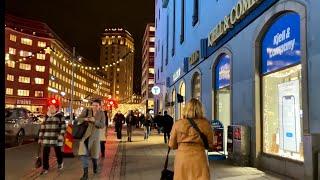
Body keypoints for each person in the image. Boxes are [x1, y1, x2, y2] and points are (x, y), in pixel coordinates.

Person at [169, 98, 213, 180]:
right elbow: (210, 144)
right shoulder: (206, 124)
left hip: (182, 158)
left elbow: (172, 145)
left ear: (186, 109)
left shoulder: (178, 124)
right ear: (200, 110)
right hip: (199, 158)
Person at [76, 99, 106, 180]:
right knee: (83, 154)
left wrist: (95, 121)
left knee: (94, 155)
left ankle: (95, 166)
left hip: (95, 137)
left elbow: (102, 125)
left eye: (96, 106)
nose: (94, 107)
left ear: (100, 106)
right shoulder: (86, 111)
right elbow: (78, 119)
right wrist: (85, 119)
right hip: (85, 136)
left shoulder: (102, 113)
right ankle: (85, 174)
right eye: (93, 105)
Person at [38, 98, 66, 175]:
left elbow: (63, 127)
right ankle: (45, 168)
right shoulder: (46, 116)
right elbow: (42, 128)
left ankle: (60, 162)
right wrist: (40, 138)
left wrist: (61, 135)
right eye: (50, 107)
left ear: (56, 108)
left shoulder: (60, 116)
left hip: (56, 137)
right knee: (45, 153)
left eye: (53, 107)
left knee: (58, 152)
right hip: (47, 138)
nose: (51, 108)